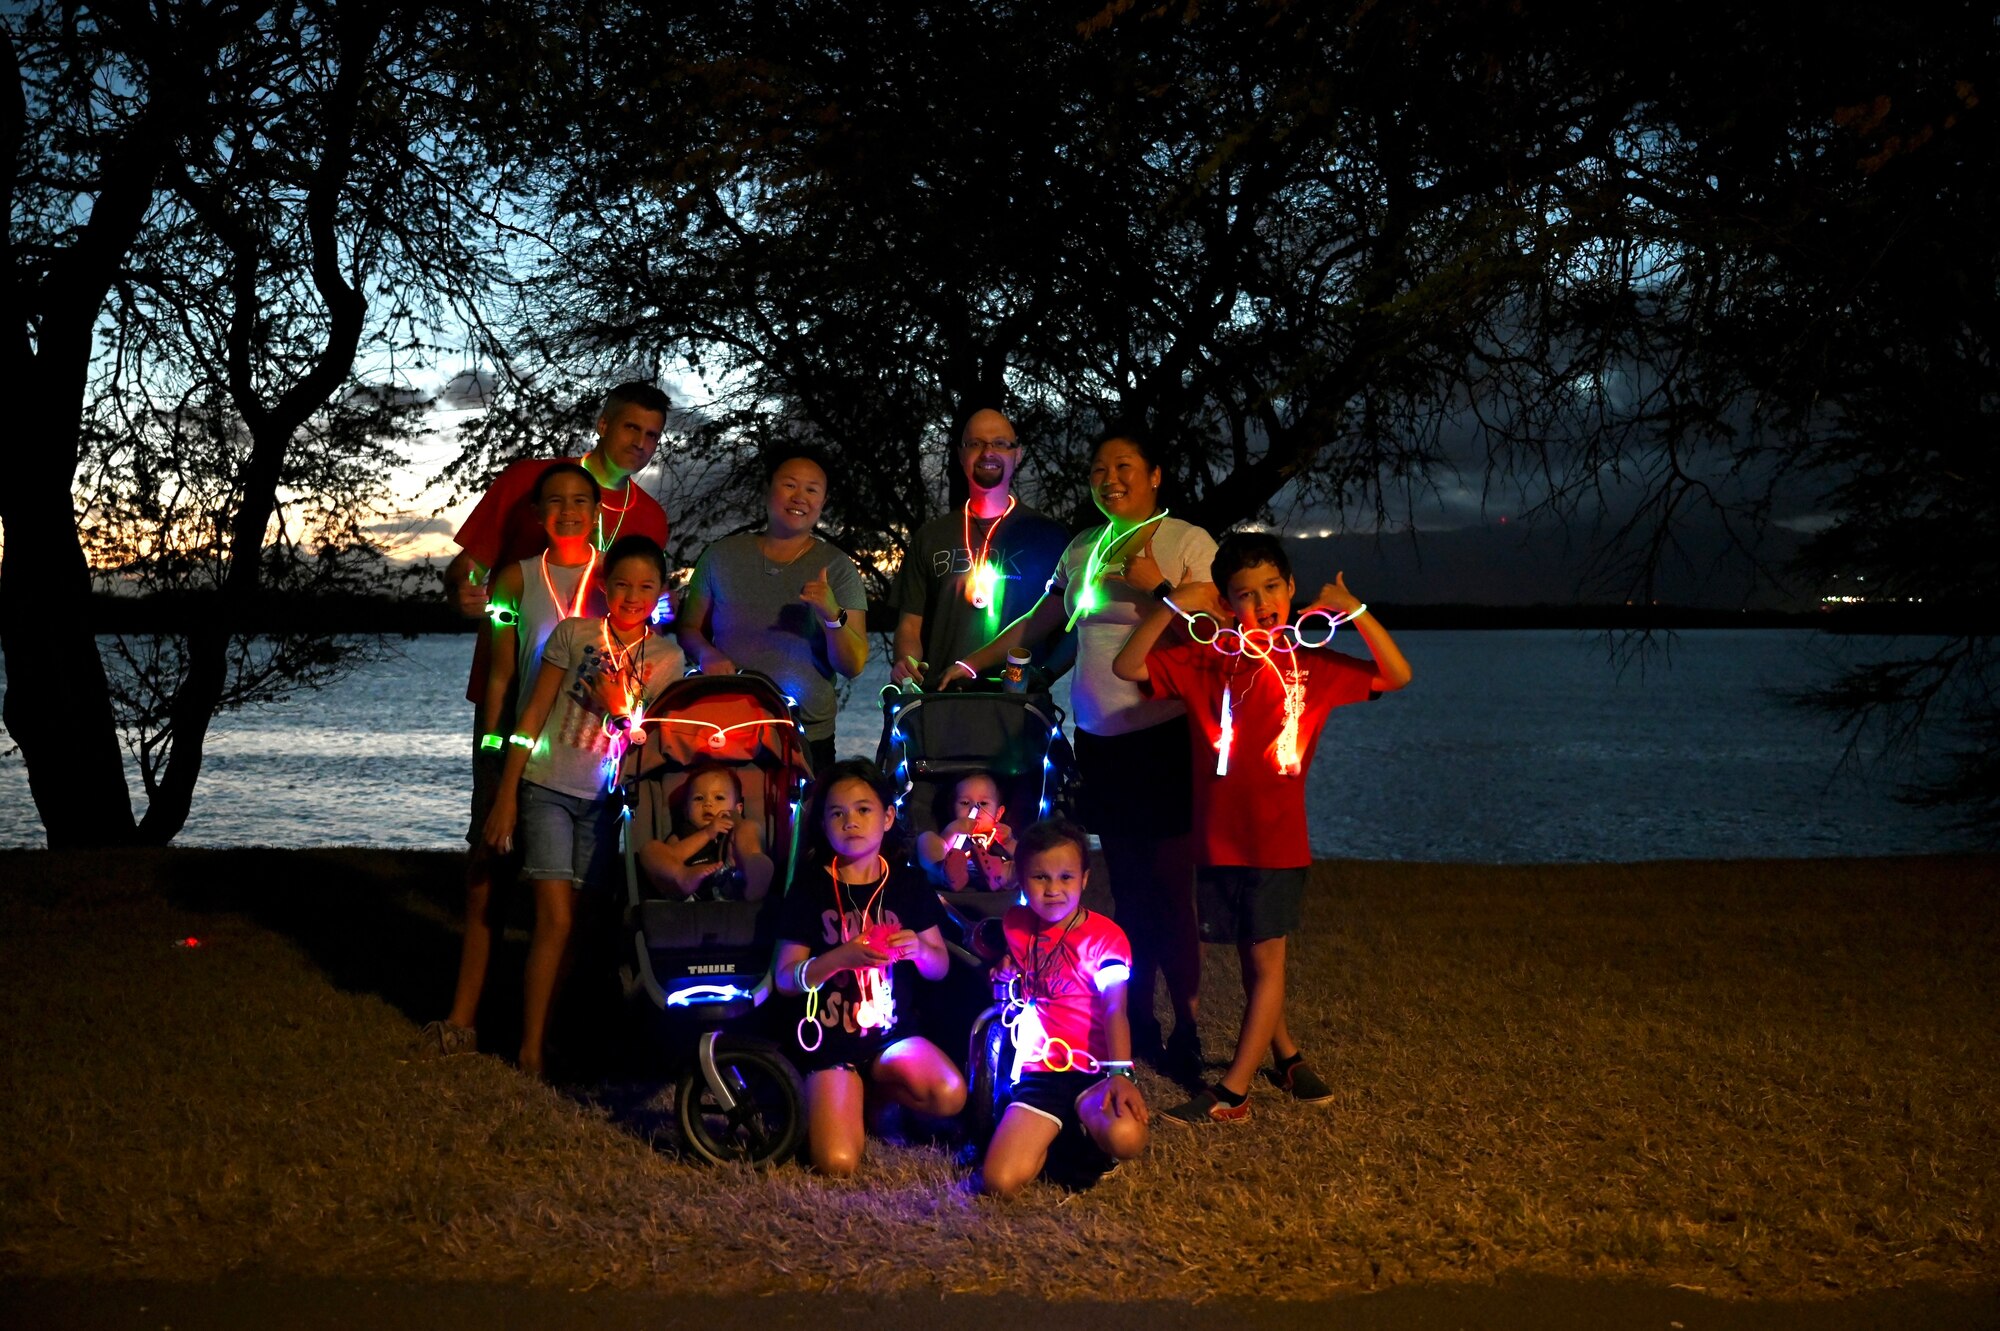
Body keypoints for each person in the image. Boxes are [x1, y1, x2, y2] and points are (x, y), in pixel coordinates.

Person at [1112, 530, 1412, 1124]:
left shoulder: (1314, 664)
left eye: (1272, 587)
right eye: (1244, 594)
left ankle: (1234, 1092)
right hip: (1220, 841)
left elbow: (1396, 674)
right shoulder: (1209, 658)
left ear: (1292, 588)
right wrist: (1177, 603)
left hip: (1279, 842)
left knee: (1268, 961)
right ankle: (1288, 1056)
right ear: (1227, 605)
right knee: (1251, 959)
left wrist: (1354, 611)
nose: (1262, 602)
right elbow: (1128, 665)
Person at [949, 431, 1213, 1081]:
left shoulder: (1183, 540)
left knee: (1174, 891)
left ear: (1156, 471)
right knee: (1125, 886)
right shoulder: (1083, 548)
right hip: (1102, 743)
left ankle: (1190, 1025)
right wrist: (966, 663)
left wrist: (1159, 587)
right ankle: (1140, 1015)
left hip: (1165, 735)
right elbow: (1038, 623)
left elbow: (1212, 631)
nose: (1109, 477)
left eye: (1125, 465)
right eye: (1099, 468)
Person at [422, 382, 670, 1057]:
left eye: (652, 435)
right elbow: (468, 568)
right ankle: (464, 1013)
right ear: (603, 424)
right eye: (631, 429)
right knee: (491, 852)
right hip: (513, 704)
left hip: (590, 727)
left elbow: (650, 610)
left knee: (580, 875)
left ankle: (559, 1018)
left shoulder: (646, 514)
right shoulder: (533, 482)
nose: (640, 444)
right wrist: (462, 591)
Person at [420, 463, 606, 1055]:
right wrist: (495, 752)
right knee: (490, 868)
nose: (569, 511)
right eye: (556, 501)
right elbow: (501, 675)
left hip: (588, 760)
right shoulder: (516, 581)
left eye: (582, 500)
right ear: (537, 513)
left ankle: (554, 1027)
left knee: (570, 896)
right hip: (524, 752)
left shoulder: (618, 581)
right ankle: (464, 1015)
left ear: (598, 512)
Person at [483, 535, 684, 1078]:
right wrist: (507, 794)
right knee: (555, 919)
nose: (632, 595)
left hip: (604, 802)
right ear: (604, 586)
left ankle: (552, 1034)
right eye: (621, 584)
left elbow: (649, 740)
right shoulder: (574, 635)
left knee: (580, 927)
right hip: (547, 788)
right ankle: (529, 1051)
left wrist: (619, 710)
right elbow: (533, 713)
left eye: (646, 586)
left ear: (661, 592)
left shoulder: (666, 658)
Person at [772, 759, 967, 1176]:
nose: (851, 822)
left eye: (863, 809)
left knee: (950, 1095)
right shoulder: (810, 887)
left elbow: (939, 967)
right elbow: (785, 978)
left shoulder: (907, 883)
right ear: (823, 824)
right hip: (828, 1042)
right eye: (837, 813)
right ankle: (836, 1092)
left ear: (888, 816)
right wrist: (839, 958)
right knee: (836, 1162)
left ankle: (876, 1095)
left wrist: (917, 947)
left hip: (891, 1037)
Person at [979, 817, 1150, 1196]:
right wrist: (1006, 966)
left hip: (1094, 1069)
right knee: (999, 1182)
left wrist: (1121, 1074)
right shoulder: (1017, 924)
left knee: (1126, 1138)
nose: (1053, 889)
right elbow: (1021, 959)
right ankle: (1057, 1135)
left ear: (1085, 878)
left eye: (1066, 877)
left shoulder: (1106, 939)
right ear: (1021, 881)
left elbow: (1113, 1010)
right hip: (1040, 1071)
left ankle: (1081, 1136)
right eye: (1040, 878)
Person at [678, 448, 868, 773]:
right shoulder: (721, 556)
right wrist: (707, 654)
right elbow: (689, 628)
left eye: (812, 490)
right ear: (768, 490)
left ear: (822, 502)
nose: (799, 497)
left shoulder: (837, 568)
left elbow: (853, 665)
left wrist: (831, 614)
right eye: (790, 485)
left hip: (806, 735)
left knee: (795, 824)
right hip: (726, 727)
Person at [888, 408, 1072, 691]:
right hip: (942, 698)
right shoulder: (931, 537)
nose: (988, 452)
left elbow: (1074, 627)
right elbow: (910, 624)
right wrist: (906, 662)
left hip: (1019, 707)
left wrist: (1045, 676)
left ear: (1017, 454)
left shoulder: (1050, 537)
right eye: (976, 443)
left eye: (1000, 443)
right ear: (961, 455)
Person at [637, 762, 774, 901]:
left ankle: (754, 870)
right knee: (650, 849)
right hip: (691, 893)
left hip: (731, 882)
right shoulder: (683, 832)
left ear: (738, 808)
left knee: (750, 828)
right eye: (699, 798)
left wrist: (736, 822)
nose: (708, 803)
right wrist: (707, 833)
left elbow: (747, 831)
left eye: (719, 797)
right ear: (686, 810)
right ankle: (682, 876)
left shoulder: (736, 828)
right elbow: (672, 855)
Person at [915, 771, 1017, 892]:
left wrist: (1009, 842)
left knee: (1022, 863)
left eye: (983, 803)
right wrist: (951, 831)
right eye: (965, 803)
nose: (974, 808)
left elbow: (1026, 856)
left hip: (996, 876)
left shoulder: (1000, 835)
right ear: (953, 809)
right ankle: (943, 870)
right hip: (950, 874)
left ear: (998, 813)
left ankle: (998, 874)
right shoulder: (954, 831)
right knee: (926, 838)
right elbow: (940, 847)